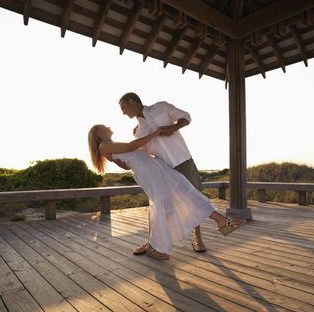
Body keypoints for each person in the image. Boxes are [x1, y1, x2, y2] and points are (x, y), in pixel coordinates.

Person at [88, 124, 244, 260]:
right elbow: (131, 148)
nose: (108, 126)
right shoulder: (103, 146)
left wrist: (136, 139)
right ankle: (155, 247)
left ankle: (221, 221)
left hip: (155, 168)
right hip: (149, 172)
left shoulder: (111, 145)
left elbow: (129, 160)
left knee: (187, 192)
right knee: (164, 206)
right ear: (98, 133)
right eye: (104, 126)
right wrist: (155, 133)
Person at [115, 92, 209, 253]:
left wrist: (174, 127)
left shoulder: (161, 107)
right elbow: (140, 154)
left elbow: (186, 116)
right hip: (163, 169)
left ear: (132, 101)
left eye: (123, 107)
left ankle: (198, 238)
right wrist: (118, 158)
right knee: (158, 205)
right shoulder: (139, 131)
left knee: (194, 199)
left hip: (183, 160)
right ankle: (152, 242)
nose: (123, 112)